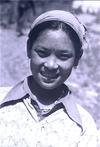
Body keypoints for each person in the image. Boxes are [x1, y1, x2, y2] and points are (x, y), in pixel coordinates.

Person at [0, 10, 97, 146]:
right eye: (42, 53)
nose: (51, 65)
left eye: (63, 56)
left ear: (77, 58)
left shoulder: (83, 127)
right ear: (29, 48)